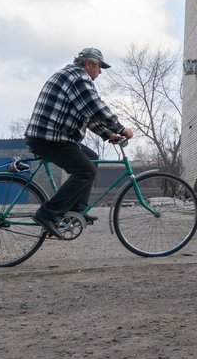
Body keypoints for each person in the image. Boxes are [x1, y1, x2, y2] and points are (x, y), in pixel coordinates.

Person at [24, 47, 133, 238]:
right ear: (89, 64)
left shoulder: (71, 76)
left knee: (91, 158)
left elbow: (87, 115)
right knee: (86, 170)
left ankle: (76, 210)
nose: (99, 72)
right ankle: (47, 214)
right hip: (49, 137)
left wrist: (108, 134)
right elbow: (94, 106)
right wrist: (120, 128)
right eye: (99, 67)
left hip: (53, 136)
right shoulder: (78, 77)